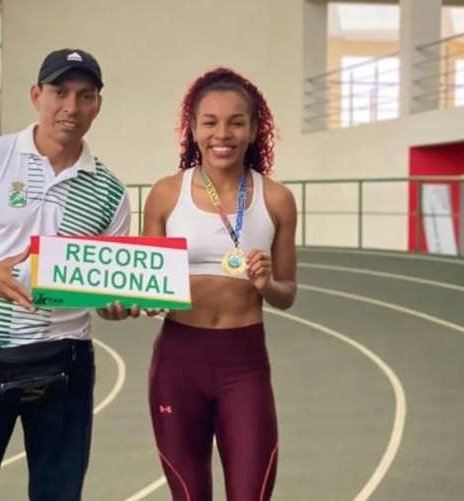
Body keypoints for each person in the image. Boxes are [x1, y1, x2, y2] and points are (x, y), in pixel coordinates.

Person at [0, 48, 132, 501]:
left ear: (98, 105)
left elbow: (108, 288)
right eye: (59, 92)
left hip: (65, 364)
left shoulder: (111, 192)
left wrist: (116, 303)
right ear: (36, 95)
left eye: (84, 95)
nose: (70, 107)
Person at [142, 67, 297, 500]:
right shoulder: (166, 194)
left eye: (236, 121)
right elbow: (147, 287)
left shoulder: (277, 200)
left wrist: (266, 283)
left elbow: (287, 295)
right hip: (178, 362)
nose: (222, 133)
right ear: (192, 129)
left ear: (253, 129)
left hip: (243, 365)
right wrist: (138, 301)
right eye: (209, 122)